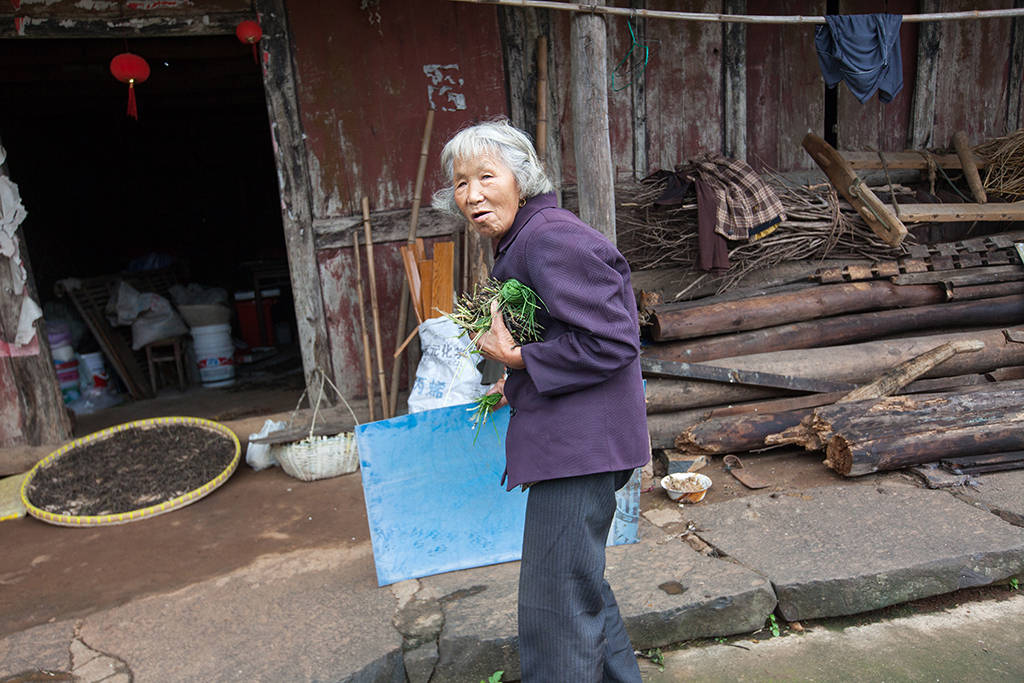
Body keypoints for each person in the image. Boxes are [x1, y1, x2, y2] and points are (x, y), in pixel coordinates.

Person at [432, 118, 650, 682]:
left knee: (555, 610)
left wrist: (520, 360)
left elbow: (613, 341)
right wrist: (521, 379)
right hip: (579, 445)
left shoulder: (548, 236)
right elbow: (570, 334)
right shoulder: (527, 238)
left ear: (521, 178)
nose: (472, 194)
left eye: (486, 176)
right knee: (579, 586)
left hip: (583, 450)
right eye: (460, 183)